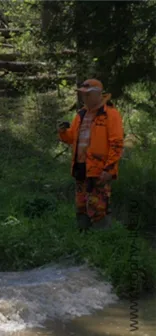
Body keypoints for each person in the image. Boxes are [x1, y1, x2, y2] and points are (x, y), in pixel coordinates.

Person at [58, 79, 124, 231]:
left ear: (98, 94)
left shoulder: (111, 114)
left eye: (87, 95)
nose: (84, 98)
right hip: (80, 167)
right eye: (82, 94)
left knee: (98, 207)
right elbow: (71, 138)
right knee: (81, 205)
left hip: (100, 170)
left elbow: (117, 144)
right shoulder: (81, 114)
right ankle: (84, 238)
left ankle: (102, 240)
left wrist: (109, 169)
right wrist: (63, 132)